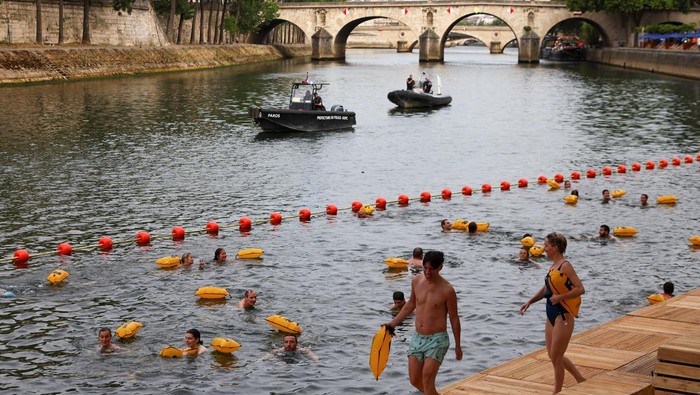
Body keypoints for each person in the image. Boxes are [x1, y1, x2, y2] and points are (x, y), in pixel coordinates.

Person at [387, 251, 462, 395]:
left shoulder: (447, 290)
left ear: (440, 267)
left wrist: (458, 346)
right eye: (425, 268)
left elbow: (454, 318)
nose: (427, 272)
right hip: (417, 337)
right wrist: (392, 324)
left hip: (437, 339)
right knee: (415, 380)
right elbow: (410, 304)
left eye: (431, 269)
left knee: (427, 380)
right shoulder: (416, 281)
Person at [520, 232, 586, 393]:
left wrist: (561, 297)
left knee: (556, 357)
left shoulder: (565, 266)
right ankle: (580, 379)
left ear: (555, 248)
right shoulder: (553, 265)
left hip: (563, 315)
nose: (544, 249)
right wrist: (530, 301)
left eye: (547, 246)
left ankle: (557, 391)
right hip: (551, 315)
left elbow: (580, 289)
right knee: (553, 355)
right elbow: (546, 289)